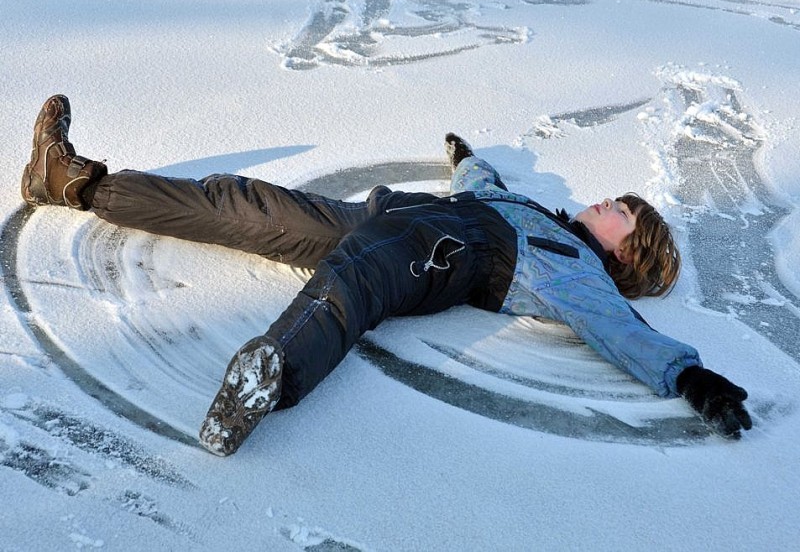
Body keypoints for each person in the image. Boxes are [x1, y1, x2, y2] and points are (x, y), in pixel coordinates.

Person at [21, 94, 753, 456]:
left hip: (447, 255)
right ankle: (73, 184)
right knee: (244, 205)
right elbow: (485, 180)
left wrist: (693, 380)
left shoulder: (577, 270)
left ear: (629, 252)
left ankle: (271, 369)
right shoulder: (536, 210)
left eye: (625, 211)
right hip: (387, 214)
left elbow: (621, 332)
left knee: (357, 282)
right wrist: (464, 156)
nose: (611, 202)